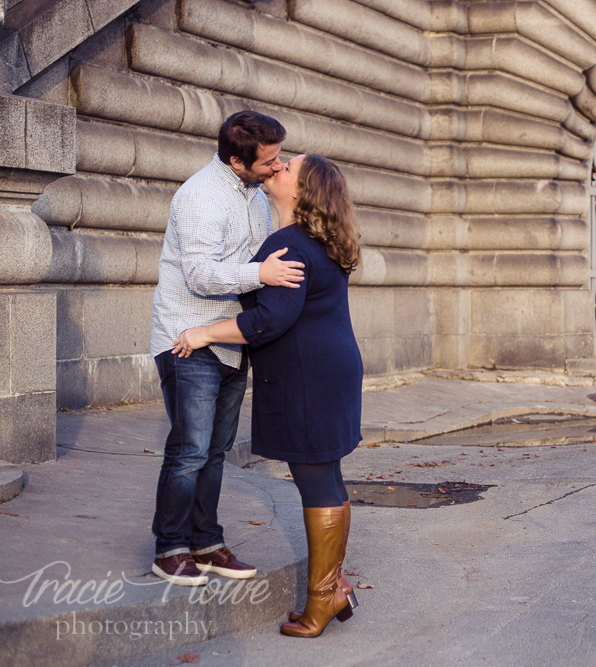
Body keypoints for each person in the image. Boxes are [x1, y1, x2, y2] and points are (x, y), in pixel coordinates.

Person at [173, 153, 363, 638]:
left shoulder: (287, 244)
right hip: (330, 369)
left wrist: (203, 332)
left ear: (302, 192)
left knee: (318, 485)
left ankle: (321, 601)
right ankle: (333, 586)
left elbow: (266, 321)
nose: (277, 169)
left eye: (287, 168)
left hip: (309, 377)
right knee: (328, 480)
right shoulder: (317, 241)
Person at [148, 111, 305, 587]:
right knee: (190, 450)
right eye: (270, 161)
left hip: (233, 338)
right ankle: (169, 548)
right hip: (187, 338)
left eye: (281, 158)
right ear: (238, 161)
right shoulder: (200, 196)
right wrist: (260, 275)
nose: (278, 167)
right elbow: (200, 274)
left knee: (215, 451)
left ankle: (207, 542)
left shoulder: (255, 195)